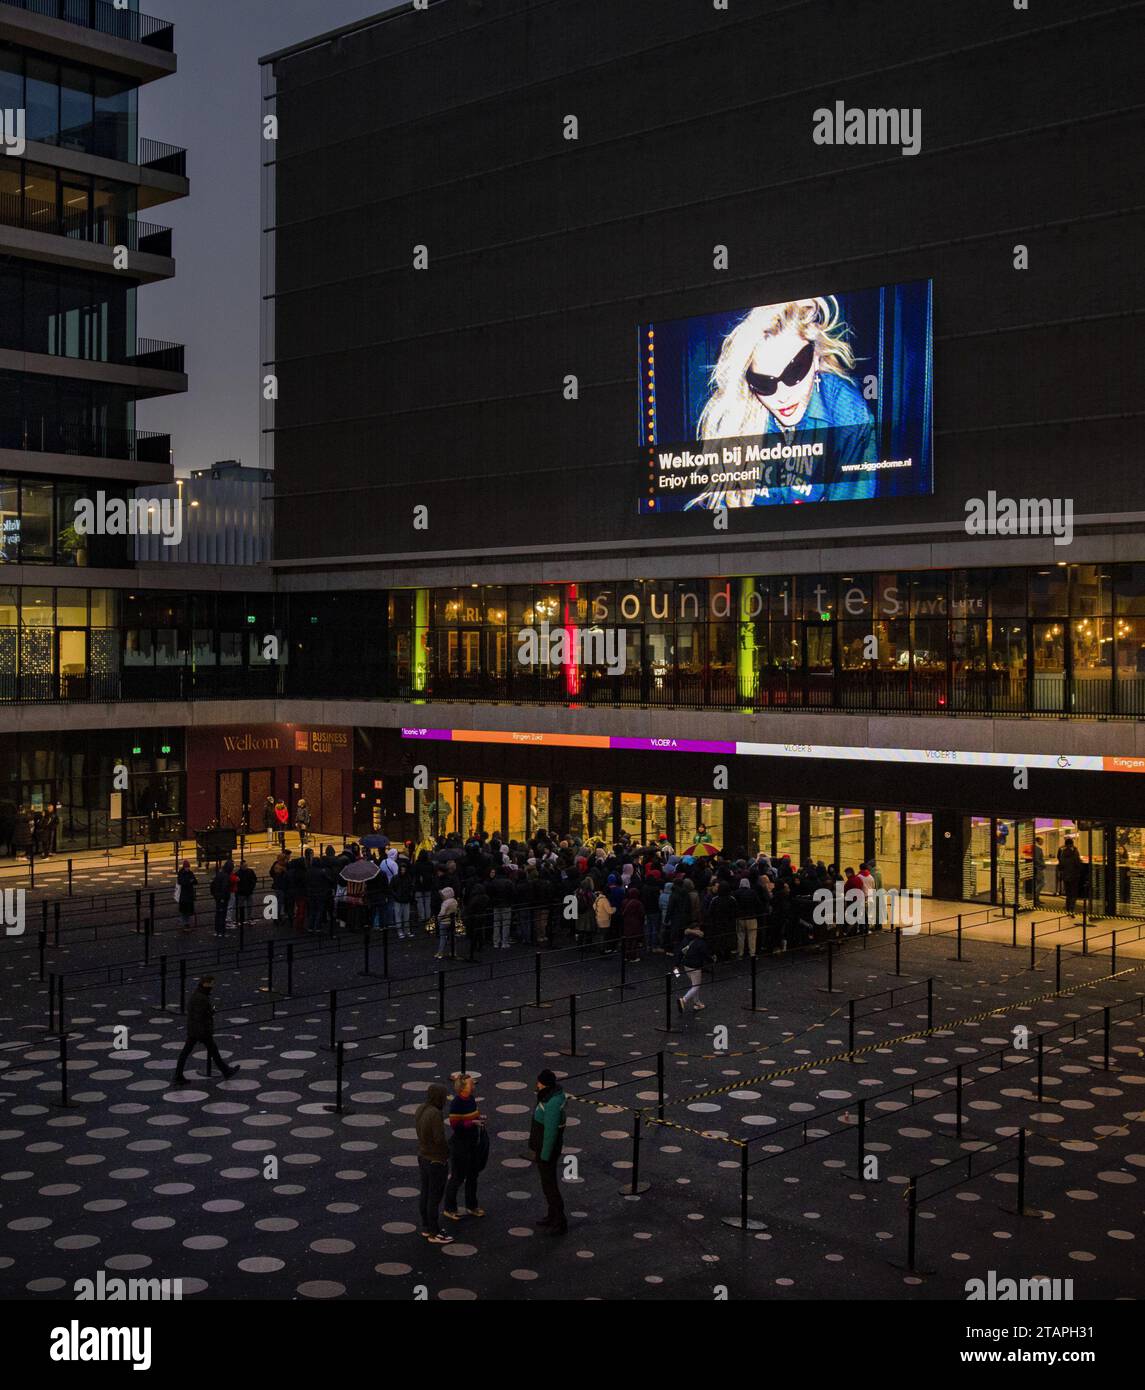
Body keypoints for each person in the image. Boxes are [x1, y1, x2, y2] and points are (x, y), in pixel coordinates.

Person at [686, 296, 877, 509]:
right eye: (764, 383)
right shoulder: (738, 412)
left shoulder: (847, 413)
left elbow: (849, 518)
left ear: (815, 359)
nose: (782, 395)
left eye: (794, 372)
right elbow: (713, 506)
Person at [173, 977, 236, 1085]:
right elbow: (200, 1015)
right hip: (201, 1030)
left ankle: (178, 1075)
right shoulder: (201, 997)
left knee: (188, 1052)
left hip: (195, 1029)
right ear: (205, 984)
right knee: (213, 1051)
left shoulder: (199, 995)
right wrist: (210, 1013)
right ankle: (226, 1071)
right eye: (211, 983)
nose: (213, 986)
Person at [414, 1083, 454, 1244]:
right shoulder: (435, 1114)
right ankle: (434, 1231)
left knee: (425, 1192)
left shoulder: (421, 1109)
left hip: (423, 1156)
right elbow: (439, 1139)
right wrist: (447, 1153)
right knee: (435, 1197)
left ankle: (426, 1226)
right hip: (436, 1159)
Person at [443, 1073, 486, 1221]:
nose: (473, 1085)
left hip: (473, 1142)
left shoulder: (471, 1099)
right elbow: (455, 1124)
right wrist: (472, 1123)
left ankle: (471, 1205)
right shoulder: (457, 1103)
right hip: (460, 1144)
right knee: (457, 1177)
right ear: (462, 1088)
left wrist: (479, 1118)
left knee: (473, 1175)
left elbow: (473, 1115)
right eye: (470, 1083)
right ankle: (449, 1207)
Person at [530, 1069, 567, 1235]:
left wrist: (544, 1155)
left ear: (544, 1083)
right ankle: (552, 1215)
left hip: (548, 1151)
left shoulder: (551, 1102)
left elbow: (550, 1132)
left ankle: (559, 1221)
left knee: (550, 1185)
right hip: (544, 1148)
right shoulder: (549, 1096)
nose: (536, 1085)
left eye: (538, 1082)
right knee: (547, 1184)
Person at [676, 922, 711, 1014]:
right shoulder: (700, 941)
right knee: (696, 986)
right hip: (695, 966)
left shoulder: (685, 939)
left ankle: (697, 1003)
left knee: (694, 984)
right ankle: (684, 1000)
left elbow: (679, 952)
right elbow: (705, 954)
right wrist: (712, 960)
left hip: (686, 965)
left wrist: (676, 964)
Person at [1058, 837, 1083, 916]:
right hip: (1074, 875)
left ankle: (1068, 908)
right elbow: (1077, 863)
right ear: (1072, 844)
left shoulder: (1062, 853)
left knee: (1068, 893)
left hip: (1065, 875)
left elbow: (1060, 863)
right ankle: (1072, 909)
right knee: (1073, 893)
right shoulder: (1075, 852)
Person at [621, 886, 644, 963]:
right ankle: (633, 957)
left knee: (627, 940)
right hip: (635, 923)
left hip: (626, 923)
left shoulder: (624, 902)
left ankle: (626, 956)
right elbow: (641, 914)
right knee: (634, 940)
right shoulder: (638, 903)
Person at [436, 885, 460, 959]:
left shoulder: (445, 903)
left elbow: (442, 913)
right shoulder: (455, 901)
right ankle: (453, 952)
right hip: (452, 922)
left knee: (443, 938)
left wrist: (438, 918)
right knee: (452, 938)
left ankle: (440, 953)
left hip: (444, 922)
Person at [176, 859, 197, 932]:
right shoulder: (181, 873)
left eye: (188, 867)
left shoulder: (189, 873)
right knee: (184, 909)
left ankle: (186, 923)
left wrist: (190, 881)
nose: (188, 868)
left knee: (187, 909)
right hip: (184, 895)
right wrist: (189, 881)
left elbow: (195, 881)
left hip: (189, 894)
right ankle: (184, 923)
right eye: (187, 867)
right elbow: (182, 882)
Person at [1032, 835, 1046, 907]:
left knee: (1038, 884)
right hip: (1038, 868)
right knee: (1042, 883)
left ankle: (1036, 899)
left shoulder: (1035, 848)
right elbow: (1037, 859)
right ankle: (1035, 899)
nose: (1043, 842)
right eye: (1042, 841)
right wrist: (1043, 865)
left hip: (1037, 868)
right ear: (1038, 840)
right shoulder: (1037, 849)